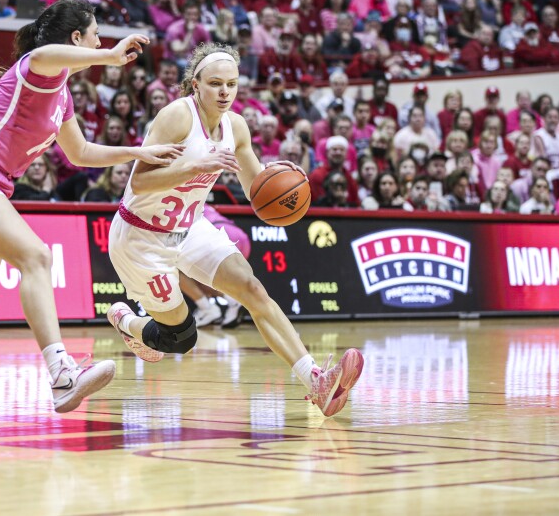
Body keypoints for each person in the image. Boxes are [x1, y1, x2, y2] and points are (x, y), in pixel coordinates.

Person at [0, 0, 183, 414]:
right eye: (95, 34)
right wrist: (108, 56)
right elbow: (45, 53)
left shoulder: (62, 96)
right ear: (77, 39)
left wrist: (141, 152)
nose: (100, 40)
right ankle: (62, 374)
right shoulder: (38, 66)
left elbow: (81, 152)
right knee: (36, 257)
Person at [104, 43, 364, 417]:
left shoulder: (235, 126)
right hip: (142, 237)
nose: (225, 92)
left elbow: (256, 188)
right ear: (196, 85)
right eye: (215, 84)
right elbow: (141, 183)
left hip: (190, 226)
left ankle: (317, 381)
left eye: (232, 84)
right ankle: (128, 321)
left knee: (252, 288)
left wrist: (284, 184)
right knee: (180, 338)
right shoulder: (176, 118)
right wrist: (196, 166)